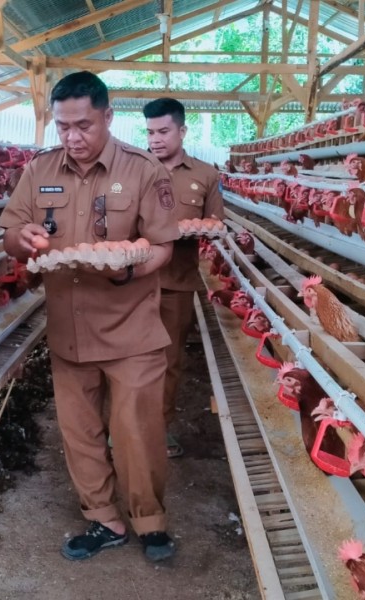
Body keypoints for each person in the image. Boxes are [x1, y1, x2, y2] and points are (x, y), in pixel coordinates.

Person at [0, 72, 180, 562]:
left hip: (130, 329)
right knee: (80, 434)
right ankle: (105, 520)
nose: (73, 138)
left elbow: (163, 245)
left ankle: (150, 521)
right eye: (63, 127)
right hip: (68, 329)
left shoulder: (143, 170)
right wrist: (25, 239)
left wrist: (129, 267)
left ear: (107, 116)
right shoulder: (39, 170)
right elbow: (11, 231)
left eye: (83, 125)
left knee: (135, 431)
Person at [143, 98, 225, 458]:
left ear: (182, 131)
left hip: (176, 282)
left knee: (169, 360)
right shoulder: (134, 168)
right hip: (131, 282)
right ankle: (121, 428)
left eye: (163, 131)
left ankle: (158, 430)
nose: (155, 139)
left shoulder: (206, 175)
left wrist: (198, 231)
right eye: (149, 132)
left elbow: (215, 224)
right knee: (125, 357)